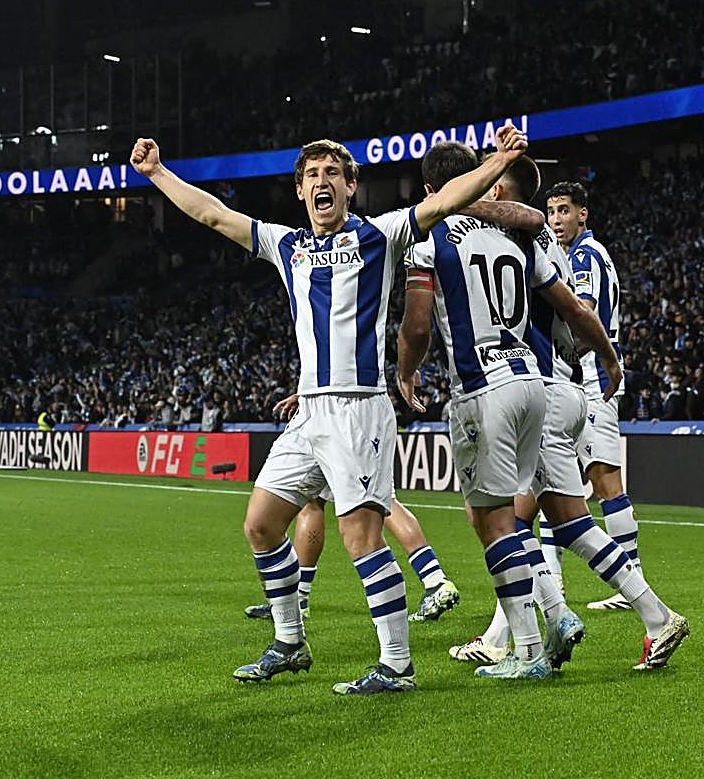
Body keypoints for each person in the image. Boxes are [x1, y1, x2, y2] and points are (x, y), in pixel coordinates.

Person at [129, 124, 528, 696]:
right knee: (261, 524)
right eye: (312, 175)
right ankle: (290, 643)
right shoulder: (285, 246)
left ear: (351, 187)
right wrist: (157, 174)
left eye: (333, 175)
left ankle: (396, 666)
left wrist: (499, 162)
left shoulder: (381, 236)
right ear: (299, 191)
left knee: (362, 538)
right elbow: (214, 215)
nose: (322, 182)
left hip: (359, 410)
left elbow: (444, 199)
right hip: (309, 414)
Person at [442, 156, 689, 672]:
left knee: (500, 519)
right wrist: (610, 358)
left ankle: (531, 630)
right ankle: (648, 615)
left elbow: (577, 306)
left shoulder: (507, 239)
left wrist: (608, 359)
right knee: (565, 522)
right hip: (564, 392)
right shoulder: (540, 241)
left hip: (538, 390)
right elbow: (577, 310)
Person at [397, 142, 574, 680]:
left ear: (431, 191)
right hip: (532, 379)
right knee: (503, 514)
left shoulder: (429, 233)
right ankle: (555, 613)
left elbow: (419, 325)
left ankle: (527, 648)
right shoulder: (510, 230)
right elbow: (536, 225)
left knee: (494, 522)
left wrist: (405, 370)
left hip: (482, 387)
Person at [243, 394, 460, 622]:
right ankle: (433, 577)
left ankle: (433, 582)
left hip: (341, 411)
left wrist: (311, 392)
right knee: (349, 500)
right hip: (359, 409)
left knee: (333, 504)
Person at [544, 181, 641, 611]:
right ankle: (556, 582)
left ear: (583, 214)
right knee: (553, 479)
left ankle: (631, 581)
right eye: (551, 212)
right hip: (582, 379)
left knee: (603, 481)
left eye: (565, 210)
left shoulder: (585, 255)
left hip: (592, 380)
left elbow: (584, 313)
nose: (557, 219)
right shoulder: (569, 256)